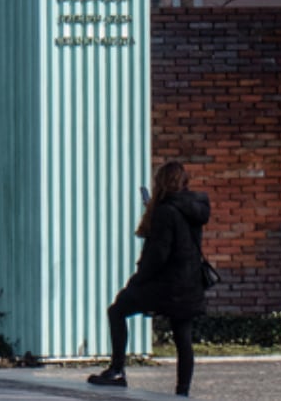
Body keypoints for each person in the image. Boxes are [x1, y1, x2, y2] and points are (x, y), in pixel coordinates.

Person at [88, 161, 211, 396]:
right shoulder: (195, 208)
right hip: (190, 284)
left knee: (117, 310)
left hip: (164, 285)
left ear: (161, 182)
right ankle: (182, 391)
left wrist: (137, 280)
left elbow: (159, 254)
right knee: (183, 337)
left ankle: (117, 370)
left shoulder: (165, 210)